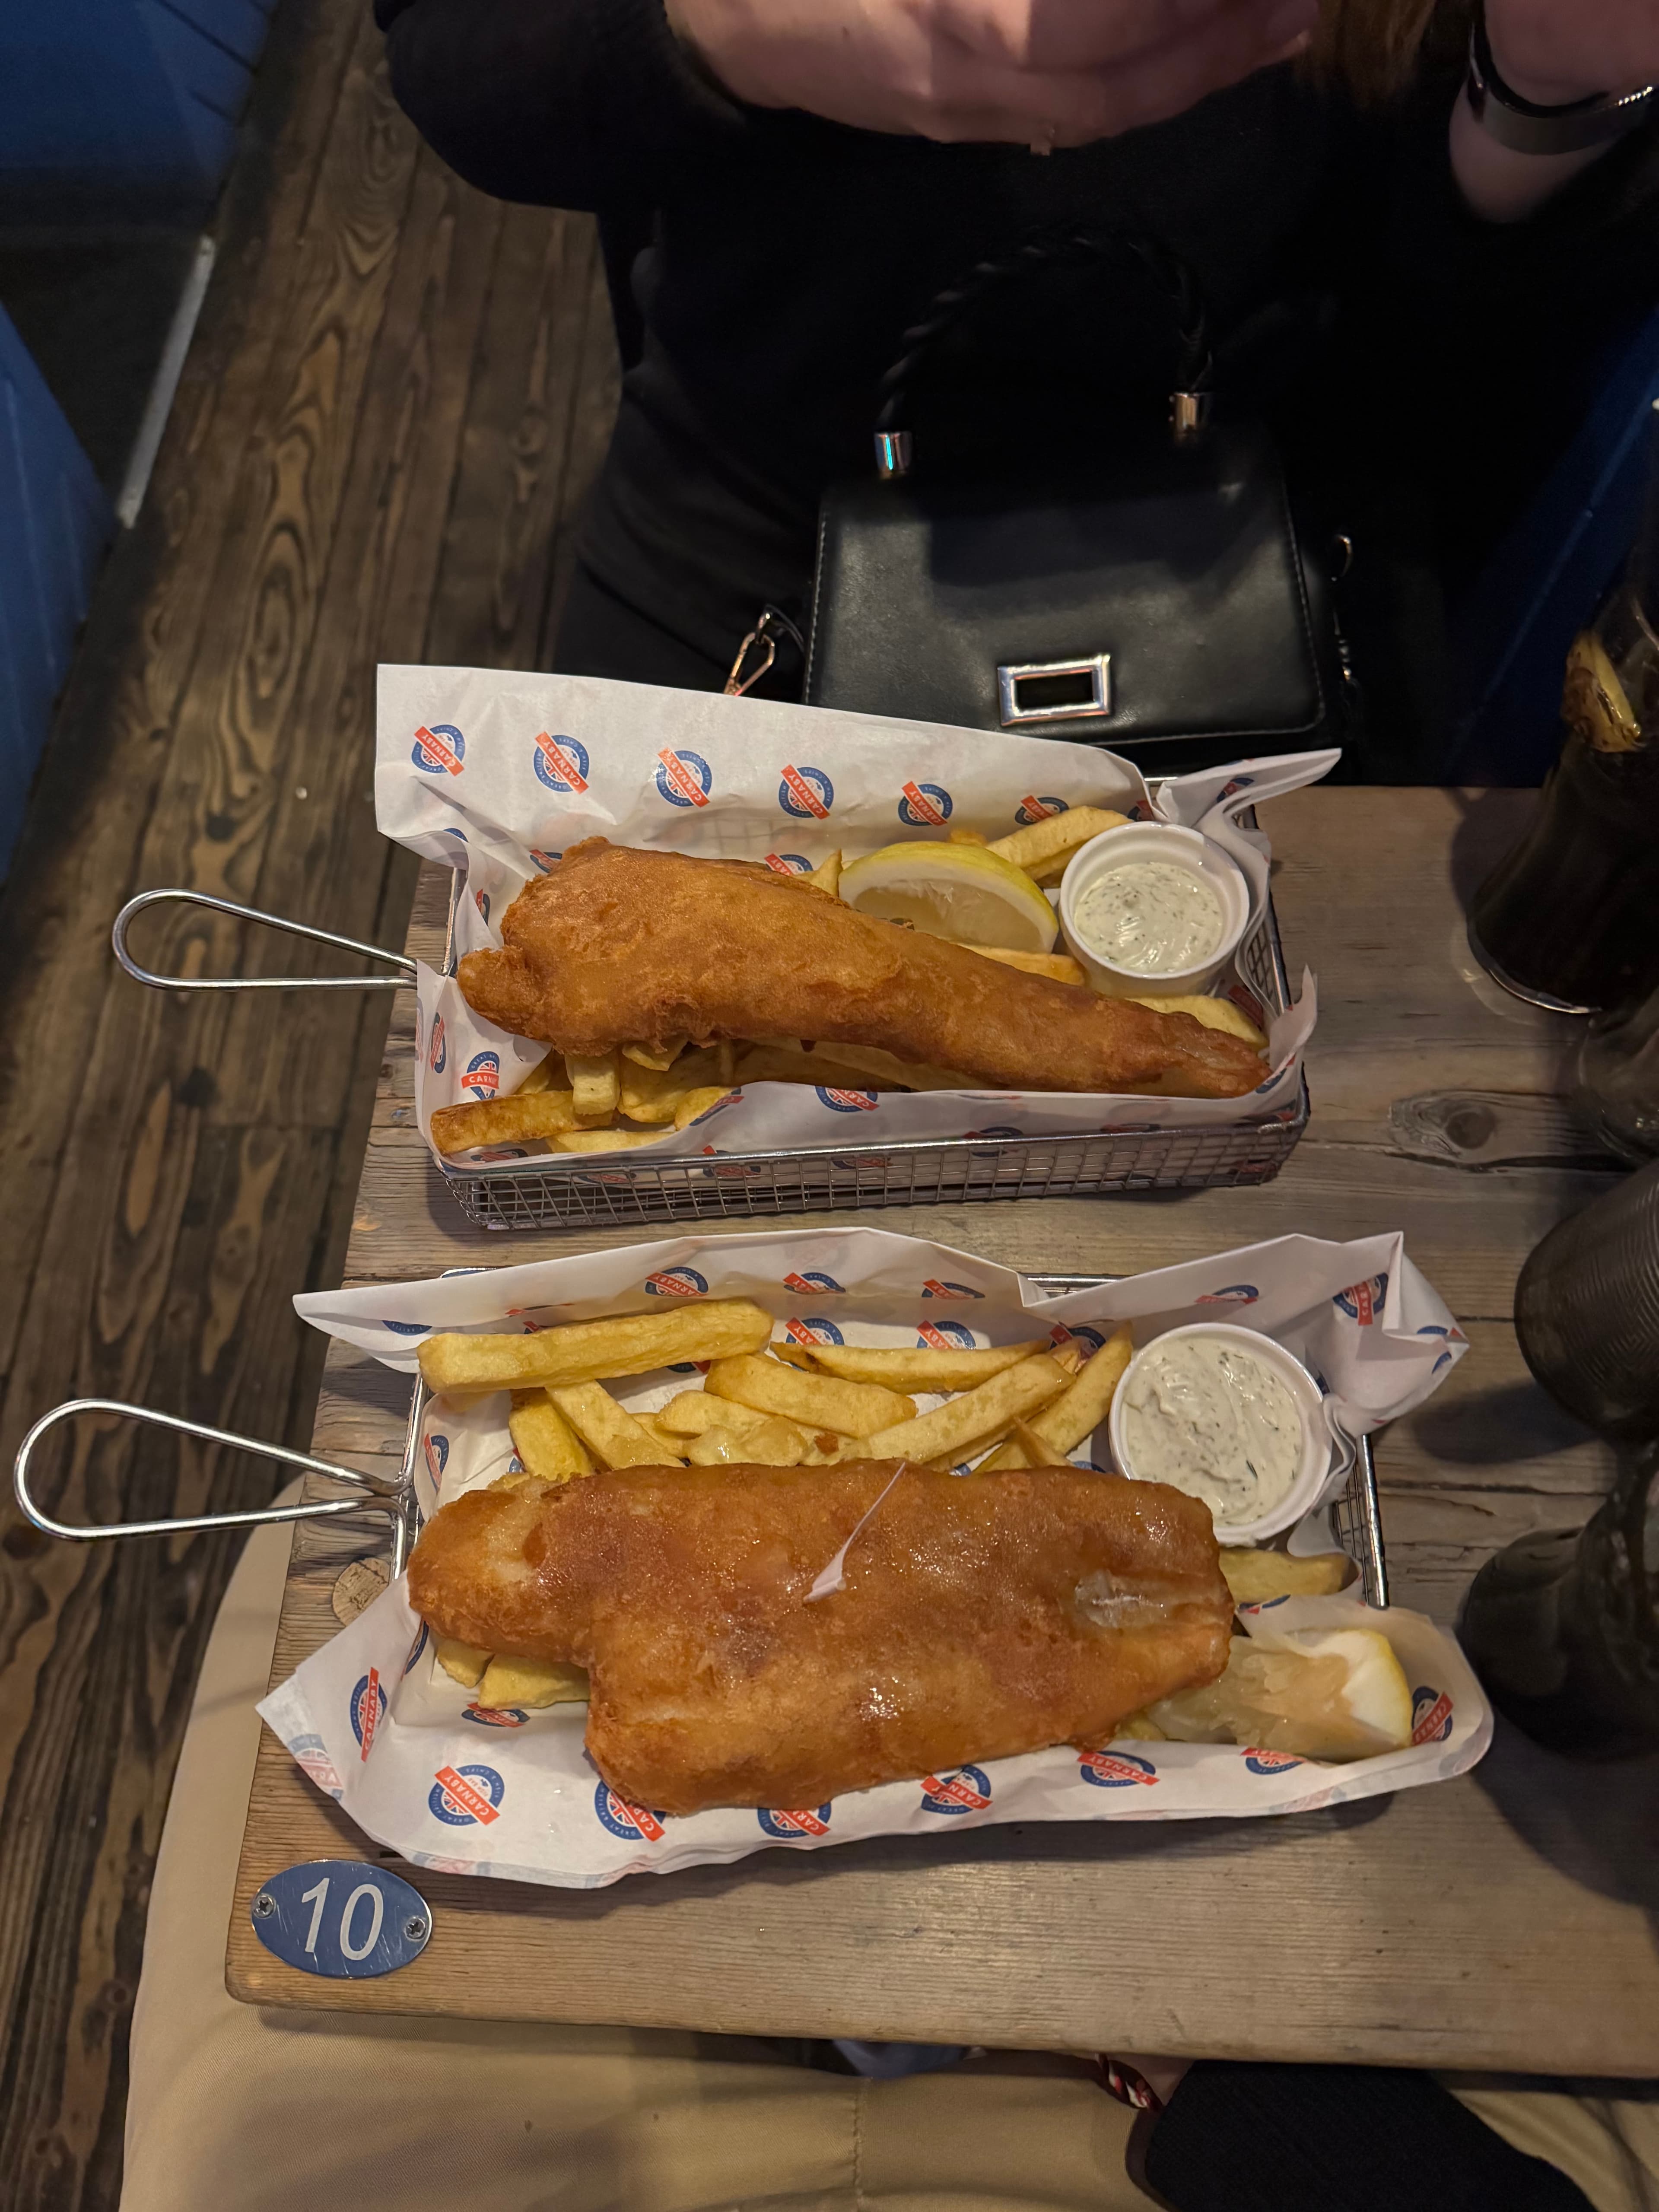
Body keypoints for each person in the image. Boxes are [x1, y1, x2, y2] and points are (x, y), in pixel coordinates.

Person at [372, 0, 1659, 772]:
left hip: (1285, 545)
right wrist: (737, 33)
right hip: (767, 511)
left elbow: (1473, 355)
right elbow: (459, 65)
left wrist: (1541, 94)